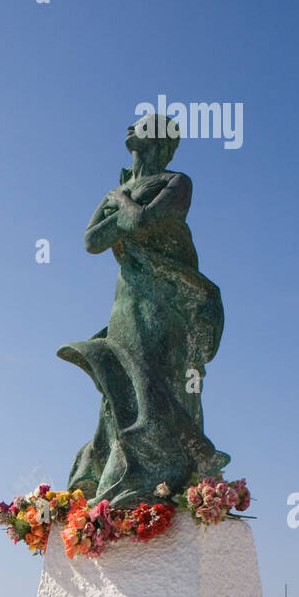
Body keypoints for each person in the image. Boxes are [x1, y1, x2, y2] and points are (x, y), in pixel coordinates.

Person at [58, 113, 228, 506]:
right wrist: (124, 209)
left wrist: (118, 201)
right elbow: (91, 242)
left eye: (141, 124)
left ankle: (176, 461)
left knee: (151, 372)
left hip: (166, 296)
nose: (131, 127)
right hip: (127, 296)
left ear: (159, 139)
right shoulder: (122, 189)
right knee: (118, 377)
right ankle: (117, 469)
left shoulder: (175, 182)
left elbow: (141, 220)